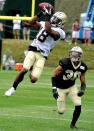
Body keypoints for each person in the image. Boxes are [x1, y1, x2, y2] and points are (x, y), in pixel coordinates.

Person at [4, 3, 67, 97]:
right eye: (54, 17)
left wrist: (47, 17)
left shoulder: (61, 32)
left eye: (56, 19)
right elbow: (31, 22)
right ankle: (13, 88)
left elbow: (49, 30)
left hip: (42, 56)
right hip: (33, 50)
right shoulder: (45, 23)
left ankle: (32, 69)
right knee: (24, 69)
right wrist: (40, 13)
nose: (53, 19)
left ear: (61, 22)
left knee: (33, 79)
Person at [51, 46, 87, 129]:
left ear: (80, 55)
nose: (73, 55)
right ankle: (60, 107)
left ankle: (73, 124)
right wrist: (54, 89)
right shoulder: (65, 62)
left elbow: (83, 81)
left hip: (72, 87)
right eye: (72, 53)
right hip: (60, 88)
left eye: (75, 54)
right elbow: (53, 74)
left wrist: (82, 89)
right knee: (61, 111)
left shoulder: (83, 66)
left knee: (78, 104)